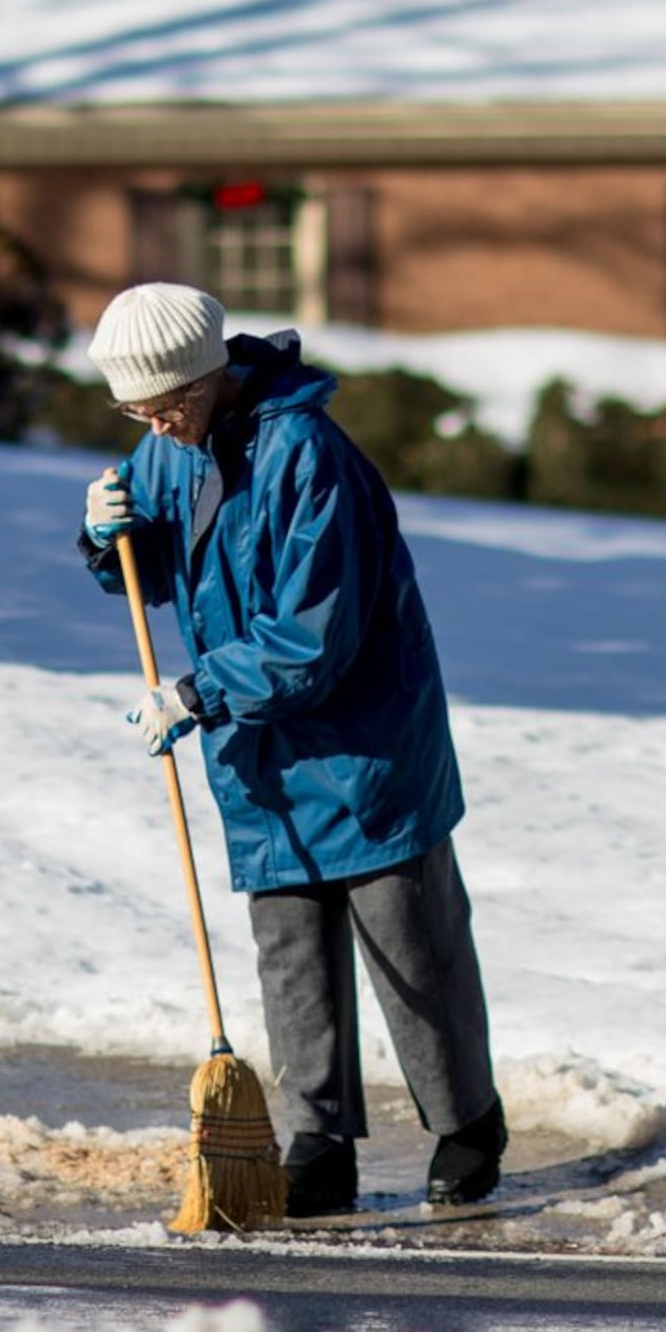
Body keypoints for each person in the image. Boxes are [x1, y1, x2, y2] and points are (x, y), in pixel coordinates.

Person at [77, 280, 506, 1220]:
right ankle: (319, 1140)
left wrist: (197, 692)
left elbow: (315, 637)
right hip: (260, 753)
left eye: (166, 402)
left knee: (412, 946)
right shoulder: (170, 448)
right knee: (292, 953)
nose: (152, 421)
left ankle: (467, 1120)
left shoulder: (310, 457)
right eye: (132, 409)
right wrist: (107, 535)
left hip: (364, 747)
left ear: (212, 372)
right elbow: (149, 561)